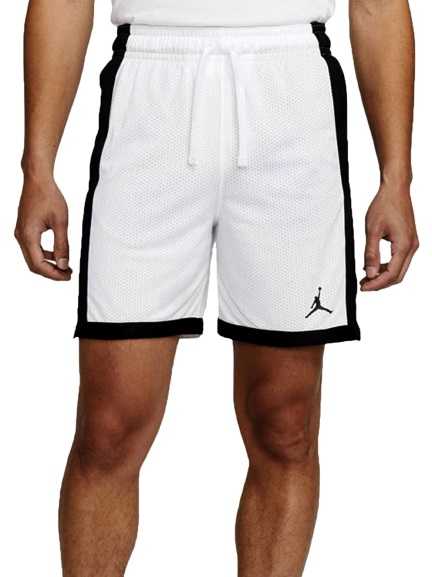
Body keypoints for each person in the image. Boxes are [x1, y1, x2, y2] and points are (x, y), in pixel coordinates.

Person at [14, 0, 419, 575]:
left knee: (285, 424)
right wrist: (38, 169)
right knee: (109, 426)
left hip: (289, 91)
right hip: (152, 87)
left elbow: (377, 6)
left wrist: (396, 179)